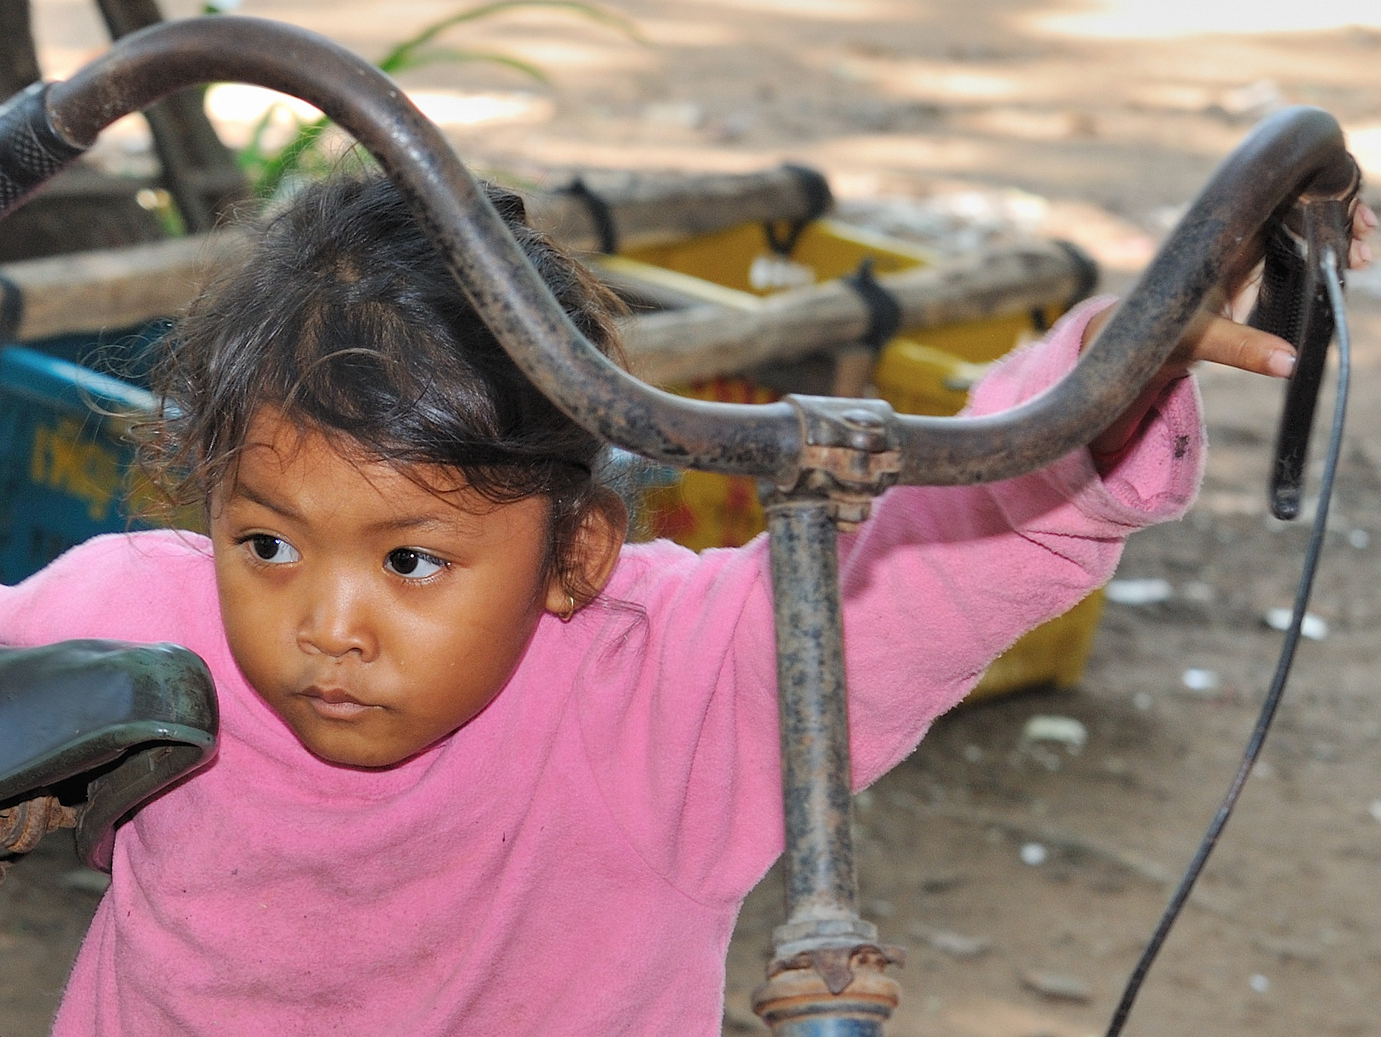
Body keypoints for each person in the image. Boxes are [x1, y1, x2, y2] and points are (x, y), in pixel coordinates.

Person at [0, 172, 1370, 1037]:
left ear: (577, 554)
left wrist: (1107, 373)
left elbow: (930, 555)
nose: (326, 623)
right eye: (267, 543)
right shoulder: (143, 628)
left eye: (410, 561)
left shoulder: (673, 697)